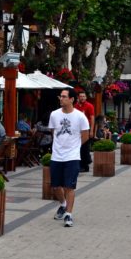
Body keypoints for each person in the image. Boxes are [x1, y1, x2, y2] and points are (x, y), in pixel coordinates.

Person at [48, 88, 91, 228]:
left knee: (69, 186)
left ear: (72, 99)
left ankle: (68, 215)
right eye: (60, 96)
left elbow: (85, 135)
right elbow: (53, 132)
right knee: (55, 186)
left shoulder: (80, 116)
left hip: (72, 156)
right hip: (56, 156)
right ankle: (63, 204)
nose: (61, 98)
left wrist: (74, 147)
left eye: (64, 96)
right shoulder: (54, 115)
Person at [74, 91, 96, 172]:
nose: (82, 98)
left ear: (86, 97)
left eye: (84, 96)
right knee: (78, 147)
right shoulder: (75, 106)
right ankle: (80, 165)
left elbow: (92, 118)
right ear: (78, 97)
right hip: (77, 130)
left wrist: (91, 131)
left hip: (86, 129)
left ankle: (85, 165)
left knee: (85, 147)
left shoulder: (89, 106)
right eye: (81, 96)